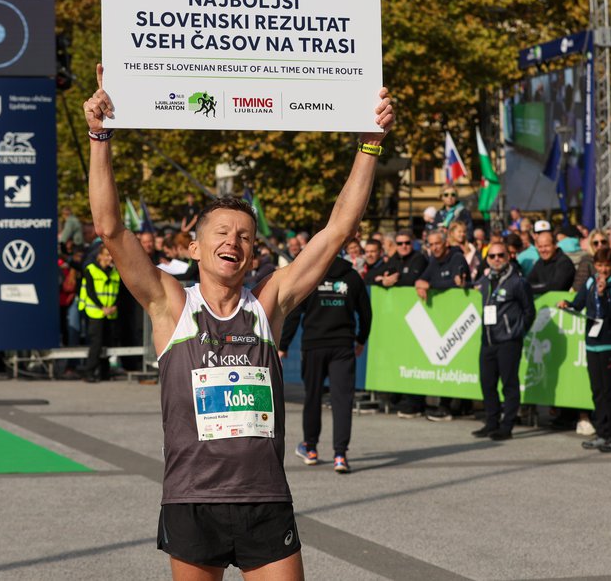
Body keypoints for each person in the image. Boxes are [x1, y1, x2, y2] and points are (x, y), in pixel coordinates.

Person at [84, 64, 394, 578]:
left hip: (266, 500)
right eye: (222, 232)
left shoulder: (267, 304)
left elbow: (338, 229)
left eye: (246, 236)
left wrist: (370, 145)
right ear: (195, 247)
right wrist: (100, 137)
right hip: (192, 500)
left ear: (254, 254)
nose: (233, 241)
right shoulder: (170, 304)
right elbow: (111, 229)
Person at [280, 255, 372, 473]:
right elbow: (366, 313)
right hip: (343, 345)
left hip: (314, 345)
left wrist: (283, 344)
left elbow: (293, 314)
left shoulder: (312, 276)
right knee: (342, 400)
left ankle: (310, 449)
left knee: (312, 397)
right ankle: (340, 454)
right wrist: (361, 339)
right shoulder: (352, 276)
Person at [557, 247, 611, 452]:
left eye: (606, 265)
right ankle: (602, 432)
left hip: (610, 342)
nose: (603, 270)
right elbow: (579, 305)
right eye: (599, 265)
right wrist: (567, 304)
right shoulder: (590, 281)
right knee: (597, 390)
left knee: (609, 390)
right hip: (592, 343)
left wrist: (603, 293)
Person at [473, 241, 535, 441]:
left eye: (501, 255)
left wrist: (516, 331)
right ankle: (491, 422)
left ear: (508, 257)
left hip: (508, 341)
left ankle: (506, 426)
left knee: (509, 384)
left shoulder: (517, 282)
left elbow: (529, 311)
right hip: (488, 340)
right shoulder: (484, 279)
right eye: (492, 256)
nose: (496, 260)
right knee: (487, 383)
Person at [412, 229, 470, 421]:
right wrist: (421, 284)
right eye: (431, 244)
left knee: (458, 360)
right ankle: (447, 405)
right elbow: (423, 279)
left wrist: (431, 284)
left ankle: (455, 405)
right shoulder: (434, 260)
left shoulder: (457, 257)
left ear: (445, 243)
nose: (434, 248)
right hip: (443, 318)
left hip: (463, 317)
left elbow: (456, 283)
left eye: (437, 244)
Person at [79, 246, 120, 382]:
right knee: (96, 343)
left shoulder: (115, 271)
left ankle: (105, 372)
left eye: (111, 255)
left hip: (110, 312)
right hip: (96, 311)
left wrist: (114, 306)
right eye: (107, 255)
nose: (109, 258)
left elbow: (119, 292)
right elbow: (90, 292)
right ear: (99, 256)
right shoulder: (91, 270)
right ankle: (89, 372)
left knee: (107, 343)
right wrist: (102, 307)